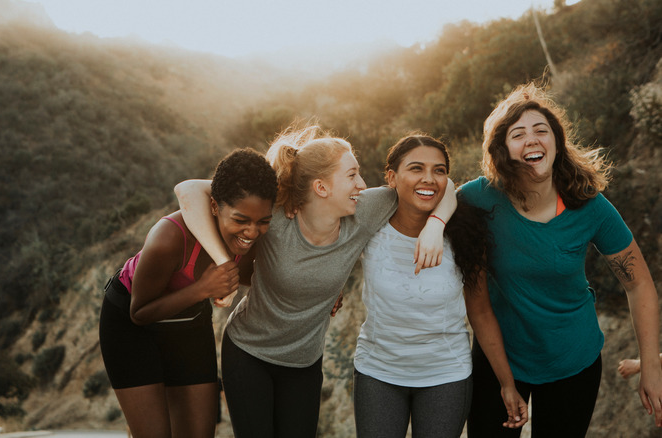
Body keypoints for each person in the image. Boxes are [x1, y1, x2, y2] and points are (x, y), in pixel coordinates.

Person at [174, 125, 456, 438]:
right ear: (321, 187)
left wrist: (435, 225)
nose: (362, 184)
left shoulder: (365, 211)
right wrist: (224, 263)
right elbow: (188, 190)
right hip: (248, 353)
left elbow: (443, 185)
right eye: (351, 175)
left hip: (304, 364)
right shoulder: (277, 215)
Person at [460, 83, 662, 437]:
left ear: (556, 141)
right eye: (518, 134)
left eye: (541, 130)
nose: (532, 139)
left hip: (573, 359)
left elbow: (639, 283)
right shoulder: (480, 198)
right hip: (499, 359)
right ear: (503, 149)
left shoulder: (589, 205)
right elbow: (435, 195)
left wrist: (652, 367)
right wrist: (432, 226)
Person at [352, 134, 528, 438]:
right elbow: (328, 245)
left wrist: (507, 383)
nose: (429, 179)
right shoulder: (369, 222)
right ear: (392, 178)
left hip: (446, 375)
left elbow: (481, 313)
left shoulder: (465, 235)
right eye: (416, 168)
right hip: (377, 371)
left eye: (439, 170)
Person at [98, 148, 278, 438]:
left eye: (263, 222)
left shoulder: (251, 240)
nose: (252, 232)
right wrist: (203, 288)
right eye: (241, 220)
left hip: (188, 322)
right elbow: (139, 313)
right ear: (215, 207)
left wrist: (323, 294)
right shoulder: (169, 237)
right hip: (130, 325)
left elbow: (267, 277)